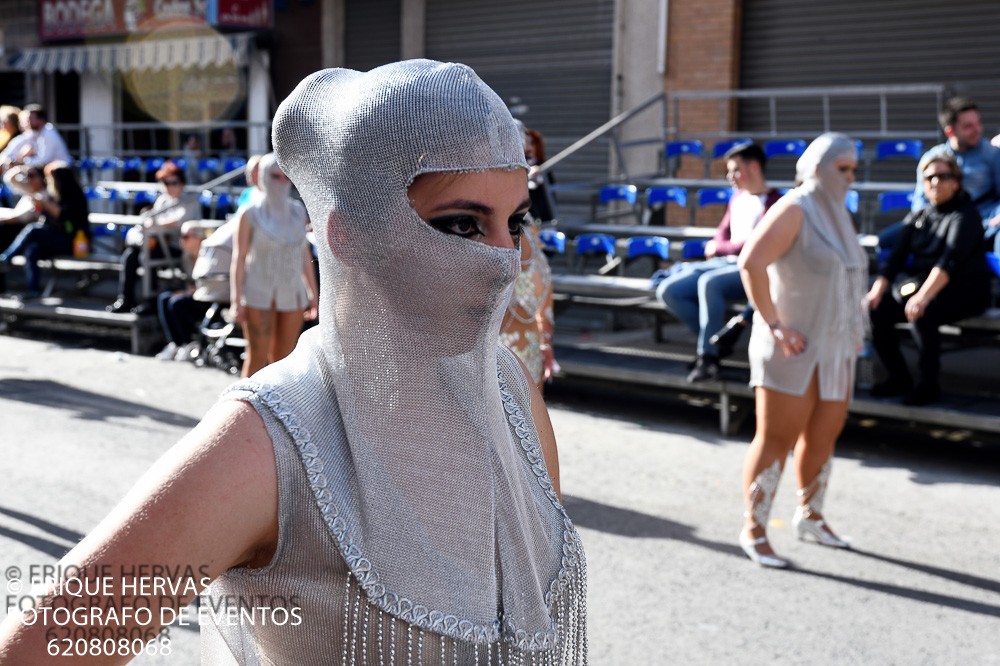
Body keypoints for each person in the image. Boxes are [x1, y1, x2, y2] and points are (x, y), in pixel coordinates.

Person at [0, 59, 587, 664]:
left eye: (513, 222)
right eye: (460, 224)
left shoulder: (511, 394)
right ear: (349, 233)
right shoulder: (268, 444)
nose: (501, 264)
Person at [737, 133, 868, 568]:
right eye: (842, 168)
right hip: (790, 349)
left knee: (823, 438)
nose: (849, 178)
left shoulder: (839, 214)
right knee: (775, 441)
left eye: (853, 170)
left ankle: (811, 516)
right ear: (817, 167)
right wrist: (776, 325)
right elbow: (750, 263)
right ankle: (754, 530)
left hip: (834, 350)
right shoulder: (795, 208)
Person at [866, 153, 991, 406]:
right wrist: (877, 289)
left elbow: (950, 260)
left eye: (943, 176)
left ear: (956, 182)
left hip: (966, 289)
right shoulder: (919, 216)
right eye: (929, 177)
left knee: (923, 311)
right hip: (928, 285)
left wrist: (923, 296)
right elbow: (896, 258)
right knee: (878, 309)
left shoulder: (966, 215)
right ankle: (898, 378)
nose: (936, 182)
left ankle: (928, 384)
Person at [655, 143, 781, 382]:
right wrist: (719, 247)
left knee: (709, 283)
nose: (729, 176)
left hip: (750, 268)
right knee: (668, 290)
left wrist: (719, 248)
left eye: (734, 170)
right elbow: (721, 234)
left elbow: (753, 245)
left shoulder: (775, 202)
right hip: (723, 263)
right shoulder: (737, 199)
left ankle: (708, 358)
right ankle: (717, 343)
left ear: (754, 167)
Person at [230, 153, 318, 377]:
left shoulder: (298, 210)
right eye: (274, 176)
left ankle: (277, 411)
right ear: (263, 177)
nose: (280, 181)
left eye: (285, 176)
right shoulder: (249, 213)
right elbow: (239, 258)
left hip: (292, 292)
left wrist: (313, 295)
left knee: (285, 360)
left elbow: (303, 254)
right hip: (258, 291)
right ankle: (245, 409)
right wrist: (236, 299)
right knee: (257, 357)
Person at [888, 97, 1000, 253]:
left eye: (978, 123)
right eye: (968, 126)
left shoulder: (993, 154)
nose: (978, 130)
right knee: (887, 240)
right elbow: (920, 203)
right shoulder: (933, 158)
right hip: (939, 224)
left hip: (984, 224)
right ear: (950, 131)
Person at [107, 161, 201, 313]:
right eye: (165, 182)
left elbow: (177, 223)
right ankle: (126, 299)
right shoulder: (163, 200)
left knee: (147, 256)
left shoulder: (190, 201)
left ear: (182, 183)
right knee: (130, 256)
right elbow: (151, 221)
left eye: (174, 182)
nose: (170, 186)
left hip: (178, 247)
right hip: (156, 244)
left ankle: (150, 302)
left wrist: (157, 224)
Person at [0, 161, 89, 297]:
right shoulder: (53, 195)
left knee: (34, 230)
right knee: (33, 250)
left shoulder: (74, 196)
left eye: (49, 178)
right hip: (58, 240)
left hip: (75, 243)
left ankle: (6, 258)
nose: (47, 180)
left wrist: (45, 204)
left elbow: (64, 216)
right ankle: (33, 290)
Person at [501, 218, 556, 388]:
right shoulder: (539, 256)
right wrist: (546, 344)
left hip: (500, 344)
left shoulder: (495, 246)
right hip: (531, 343)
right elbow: (545, 311)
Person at [154, 220, 206, 361]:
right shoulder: (186, 257)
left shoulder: (208, 254)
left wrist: (190, 291)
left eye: (185, 236)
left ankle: (187, 343)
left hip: (207, 296)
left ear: (197, 238)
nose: (181, 240)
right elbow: (189, 282)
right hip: (194, 293)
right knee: (164, 298)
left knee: (177, 303)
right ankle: (175, 344)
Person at [0, 165, 47, 291]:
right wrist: (21, 169)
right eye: (27, 176)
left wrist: (6, 219)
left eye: (32, 176)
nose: (28, 179)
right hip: (14, 231)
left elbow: (23, 218)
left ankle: (5, 260)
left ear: (42, 178)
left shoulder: (44, 195)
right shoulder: (29, 192)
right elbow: (9, 178)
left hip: (24, 234)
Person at [0, 104, 71, 171]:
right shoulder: (32, 132)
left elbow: (44, 160)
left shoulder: (49, 133)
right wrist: (16, 158)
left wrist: (22, 160)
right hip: (46, 171)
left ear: (41, 120)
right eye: (27, 119)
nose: (28, 122)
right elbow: (10, 151)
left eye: (31, 118)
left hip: (62, 171)